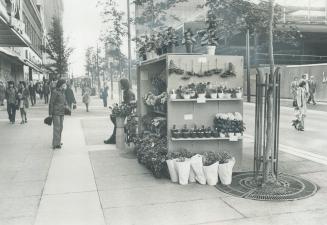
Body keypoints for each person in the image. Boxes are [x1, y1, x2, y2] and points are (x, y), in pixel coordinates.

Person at [104, 78, 135, 144]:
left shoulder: (129, 92)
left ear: (124, 84)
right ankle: (115, 137)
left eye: (120, 84)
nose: (119, 86)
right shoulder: (126, 91)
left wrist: (121, 107)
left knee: (116, 120)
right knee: (115, 120)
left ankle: (117, 135)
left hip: (129, 113)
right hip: (126, 111)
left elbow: (130, 104)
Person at [49, 79, 67, 149]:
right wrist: (50, 113)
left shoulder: (63, 92)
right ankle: (55, 144)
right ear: (61, 84)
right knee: (57, 128)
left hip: (62, 112)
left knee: (61, 127)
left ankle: (58, 141)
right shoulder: (55, 92)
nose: (65, 85)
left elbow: (64, 101)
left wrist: (66, 105)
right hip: (56, 112)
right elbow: (51, 103)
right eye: (64, 84)